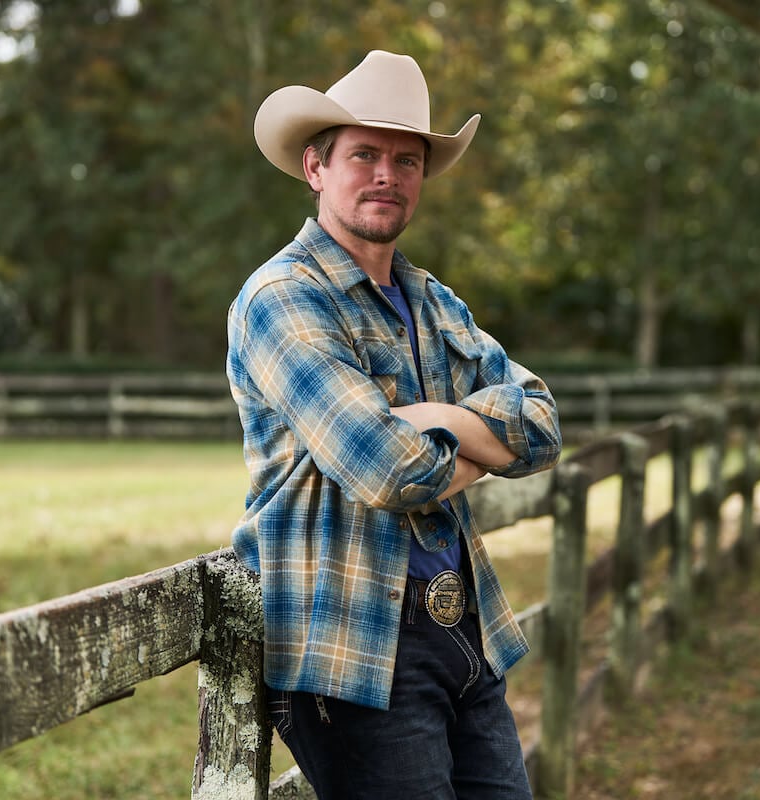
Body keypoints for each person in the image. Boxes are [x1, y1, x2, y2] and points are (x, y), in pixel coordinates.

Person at [226, 49, 562, 799]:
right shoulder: (283, 298)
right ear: (316, 167)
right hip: (354, 651)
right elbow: (387, 469)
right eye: (365, 155)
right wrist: (480, 437)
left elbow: (541, 423)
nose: (387, 174)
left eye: (406, 160)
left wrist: (436, 417)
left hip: (465, 629)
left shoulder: (435, 301)